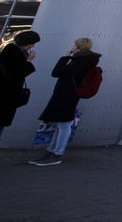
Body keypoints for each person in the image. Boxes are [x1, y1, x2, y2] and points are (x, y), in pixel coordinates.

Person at [30, 37, 101, 166]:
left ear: (79, 47)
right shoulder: (85, 61)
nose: (72, 47)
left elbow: (56, 72)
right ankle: (52, 150)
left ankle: (57, 152)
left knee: (63, 124)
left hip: (67, 95)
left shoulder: (80, 62)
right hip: (68, 94)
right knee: (60, 123)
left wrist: (65, 57)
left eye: (75, 45)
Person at [0, 30, 41, 141]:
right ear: (26, 42)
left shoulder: (15, 52)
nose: (32, 46)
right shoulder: (12, 52)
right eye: (32, 43)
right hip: (5, 95)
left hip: (7, 95)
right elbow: (14, 74)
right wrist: (28, 62)